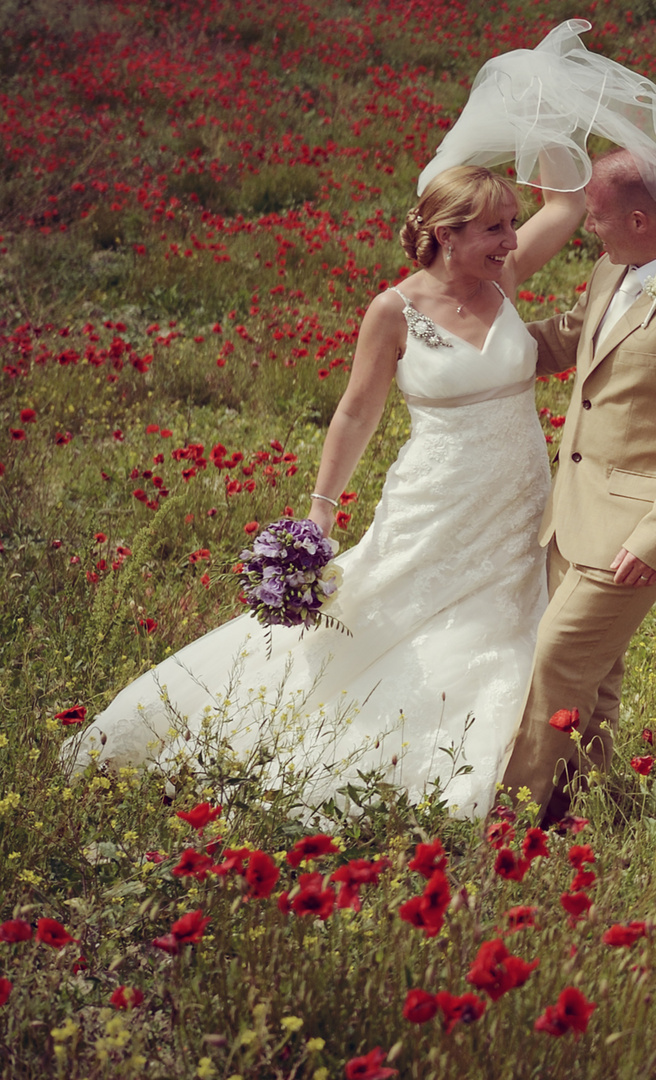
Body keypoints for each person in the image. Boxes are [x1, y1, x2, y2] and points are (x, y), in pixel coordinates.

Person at [69, 164, 585, 815]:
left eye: (513, 223)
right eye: (494, 227)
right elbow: (354, 413)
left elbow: (565, 205)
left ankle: (489, 764)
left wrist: (550, 110)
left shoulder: (503, 279)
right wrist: (320, 508)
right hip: (436, 495)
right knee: (379, 605)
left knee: (502, 622)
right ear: (448, 236)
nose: (512, 239)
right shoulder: (394, 311)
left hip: (517, 500)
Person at [498, 149, 656, 822]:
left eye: (597, 217)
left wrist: (655, 539)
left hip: (632, 537)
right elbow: (573, 339)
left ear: (639, 218)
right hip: (573, 512)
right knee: (594, 677)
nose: (588, 229)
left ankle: (510, 822)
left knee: (556, 661)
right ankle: (587, 807)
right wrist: (478, 349)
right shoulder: (614, 268)